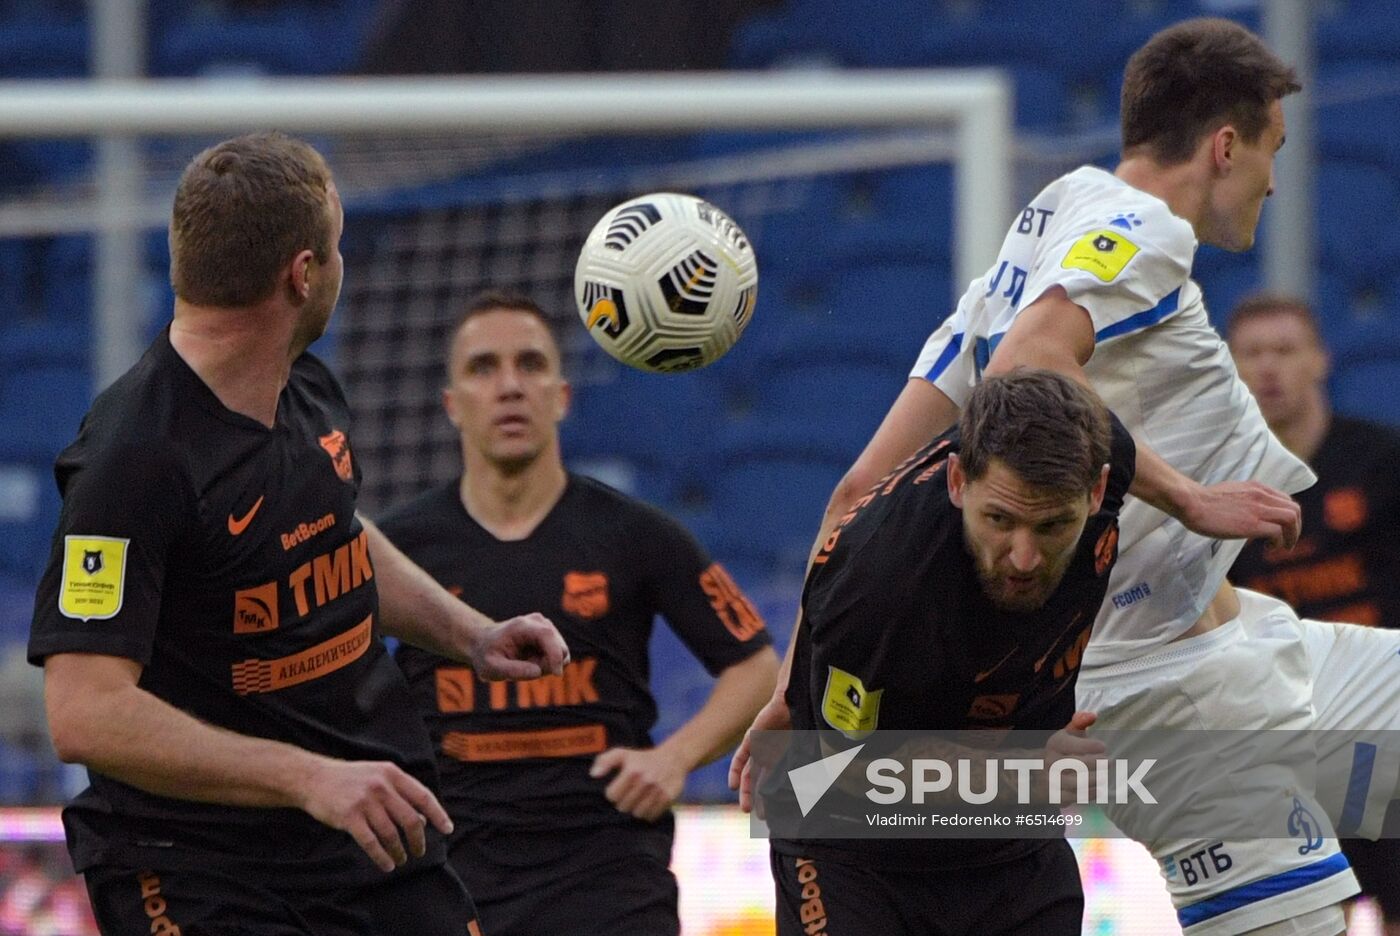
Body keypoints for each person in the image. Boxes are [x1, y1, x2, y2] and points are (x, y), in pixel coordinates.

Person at [733, 17, 1381, 936]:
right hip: (1170, 688)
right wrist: (1188, 497)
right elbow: (1028, 366)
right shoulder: (1144, 229)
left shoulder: (1050, 223)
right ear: (1226, 145)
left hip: (1246, 646)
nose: (1275, 179)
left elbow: (854, 497)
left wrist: (790, 694)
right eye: (1272, 150)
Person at [26, 133, 569, 936]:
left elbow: (332, 535)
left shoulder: (303, 385)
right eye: (338, 248)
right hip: (199, 864)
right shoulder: (134, 463)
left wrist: (472, 634)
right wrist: (306, 777)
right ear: (304, 273)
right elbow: (84, 713)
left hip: (362, 834)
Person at [375, 290, 779, 936]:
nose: (509, 386)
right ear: (452, 406)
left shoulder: (637, 534)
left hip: (609, 877)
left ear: (562, 396)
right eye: (484, 367)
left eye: (530, 364)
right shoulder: (397, 551)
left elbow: (755, 667)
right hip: (456, 881)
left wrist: (674, 759)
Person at [766, 369, 1134, 936]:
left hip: (1011, 847)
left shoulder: (1100, 451)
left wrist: (1192, 500)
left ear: (1097, 490)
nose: (1024, 557)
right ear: (958, 481)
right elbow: (845, 768)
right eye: (1000, 520)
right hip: (852, 849)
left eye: (1055, 525)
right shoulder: (879, 583)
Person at [1227, 294, 1400, 935]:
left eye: (1285, 350)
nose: (1269, 368)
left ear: (1320, 360)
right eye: (1253, 353)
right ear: (1232, 369)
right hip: (1288, 735)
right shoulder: (1220, 491)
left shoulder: (1381, 464)